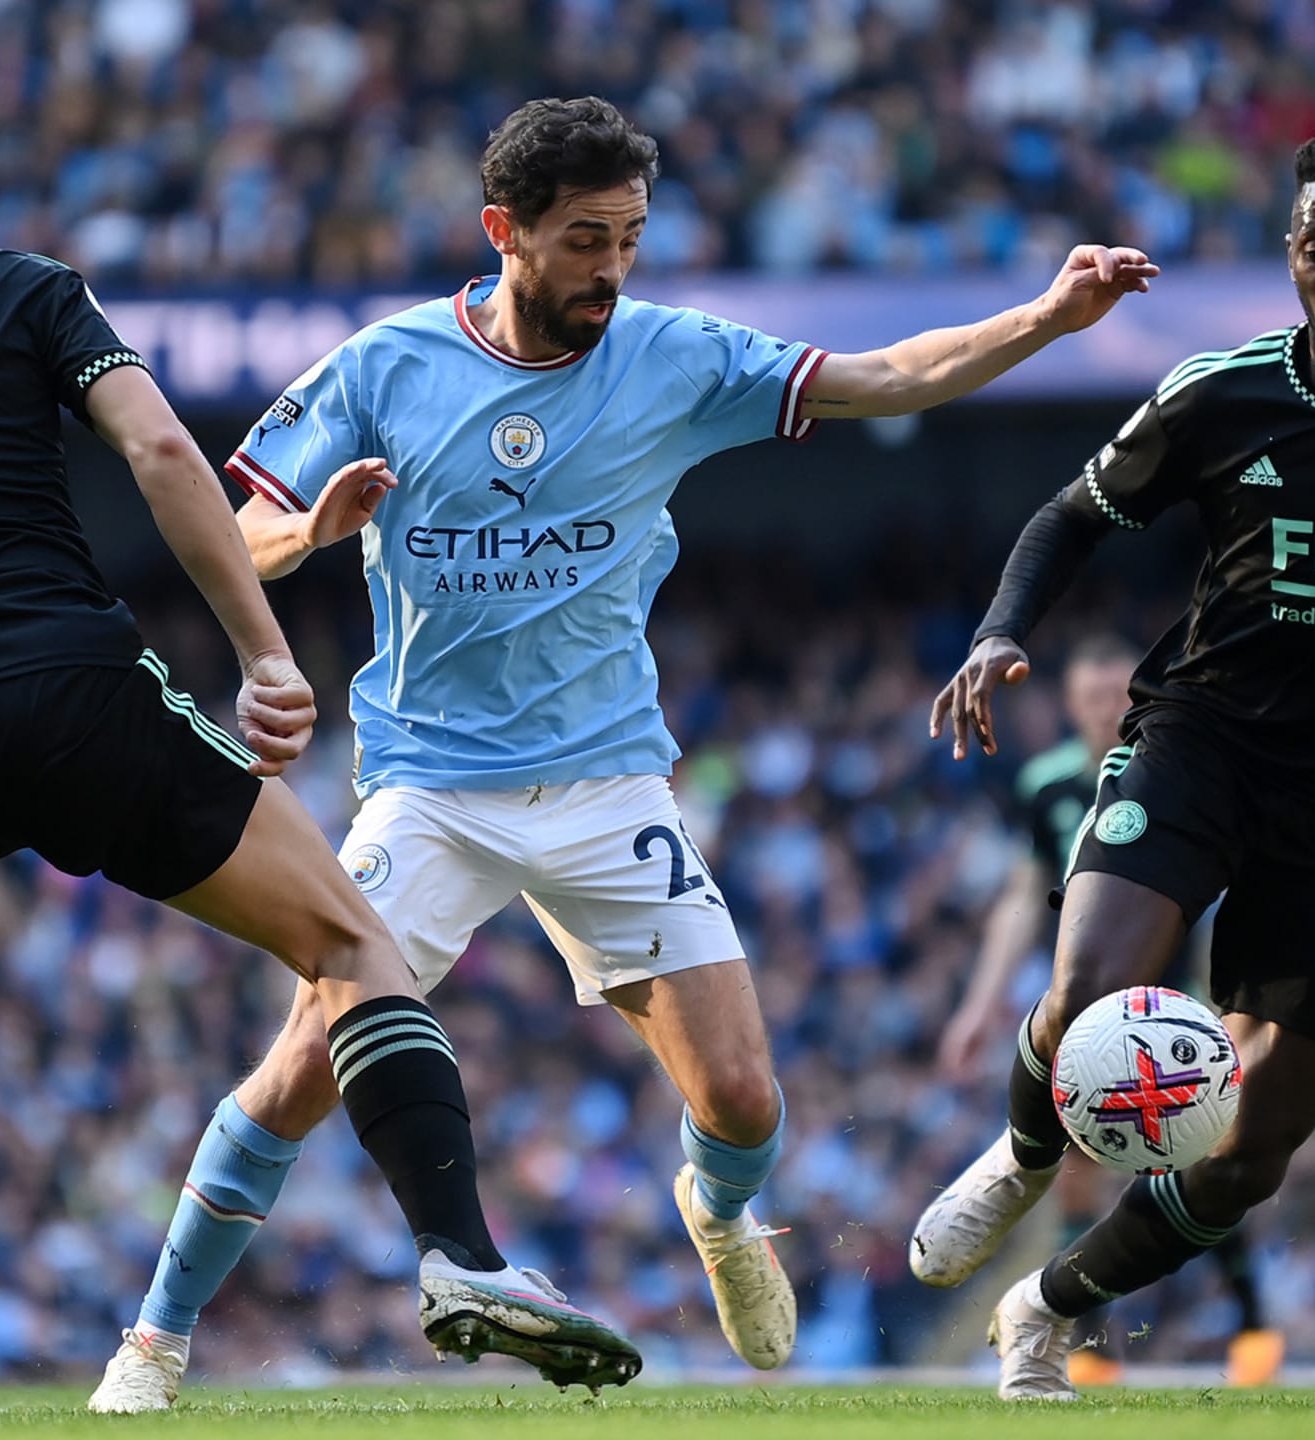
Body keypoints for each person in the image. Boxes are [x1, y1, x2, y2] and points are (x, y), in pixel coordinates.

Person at [0, 42, 642, 1420]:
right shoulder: (26, 287)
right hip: (71, 691)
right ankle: (459, 1256)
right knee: (346, 945)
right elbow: (160, 454)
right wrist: (264, 654)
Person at [87, 93, 1155, 1411]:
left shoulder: (672, 356)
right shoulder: (385, 367)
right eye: (586, 239)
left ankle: (718, 1215)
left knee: (749, 1099)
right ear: (505, 231)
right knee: (304, 1066)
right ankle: (154, 1340)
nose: (611, 268)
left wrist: (1044, 321)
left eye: (630, 238)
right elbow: (236, 532)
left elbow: (887, 377)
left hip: (606, 779)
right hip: (429, 785)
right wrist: (312, 530)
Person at [908, 119, 1315, 1400]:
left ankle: (1049, 1304)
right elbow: (1072, 517)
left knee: (1250, 1152)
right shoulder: (1221, 389)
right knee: (1085, 995)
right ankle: (1022, 1159)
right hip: (1198, 740)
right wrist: (1002, 631)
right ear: (1291, 254)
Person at [934, 635, 1281, 1388]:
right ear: (1068, 705)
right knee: (1082, 1174)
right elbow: (1027, 895)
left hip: (1173, 1004)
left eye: (1113, 696)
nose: (1100, 711)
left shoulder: (1177, 777)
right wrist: (979, 1003)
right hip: (1089, 1010)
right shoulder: (1048, 785)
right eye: (1087, 698)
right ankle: (1087, 1349)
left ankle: (1253, 1327)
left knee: (1201, 1153)